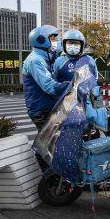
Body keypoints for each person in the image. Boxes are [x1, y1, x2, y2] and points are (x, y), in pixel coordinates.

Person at [23, 26, 70, 170]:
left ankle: (46, 171)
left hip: (48, 107)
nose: (56, 41)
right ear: (42, 40)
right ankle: (47, 176)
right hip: (40, 109)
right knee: (50, 144)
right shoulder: (35, 60)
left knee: (49, 141)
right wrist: (70, 84)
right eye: (53, 38)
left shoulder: (46, 56)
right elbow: (49, 86)